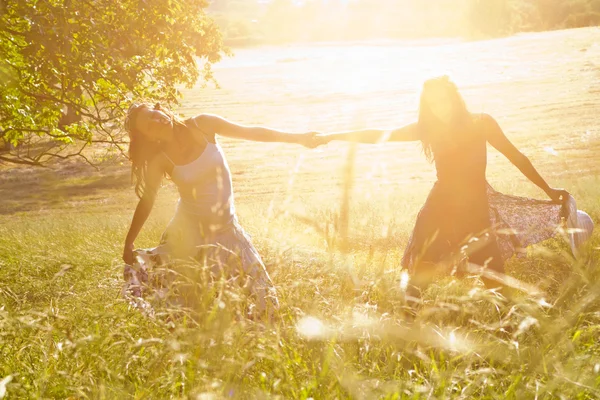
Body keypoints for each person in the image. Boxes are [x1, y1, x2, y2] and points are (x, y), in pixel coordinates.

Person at [315, 76, 574, 294]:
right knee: (421, 273)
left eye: (443, 100)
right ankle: (409, 327)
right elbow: (380, 135)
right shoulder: (428, 128)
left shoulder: (481, 123)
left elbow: (516, 156)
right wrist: (334, 136)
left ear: (454, 97)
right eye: (432, 103)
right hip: (438, 208)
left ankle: (510, 333)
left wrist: (547, 189)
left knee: (493, 276)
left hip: (475, 209)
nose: (439, 107)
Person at [122, 102, 317, 315]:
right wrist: (129, 241)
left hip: (227, 231)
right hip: (187, 235)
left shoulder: (203, 125)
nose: (156, 121)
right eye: (149, 126)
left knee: (264, 302)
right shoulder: (162, 160)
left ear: (160, 109)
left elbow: (251, 132)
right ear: (149, 137)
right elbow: (147, 200)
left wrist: (298, 138)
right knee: (191, 307)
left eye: (154, 114)